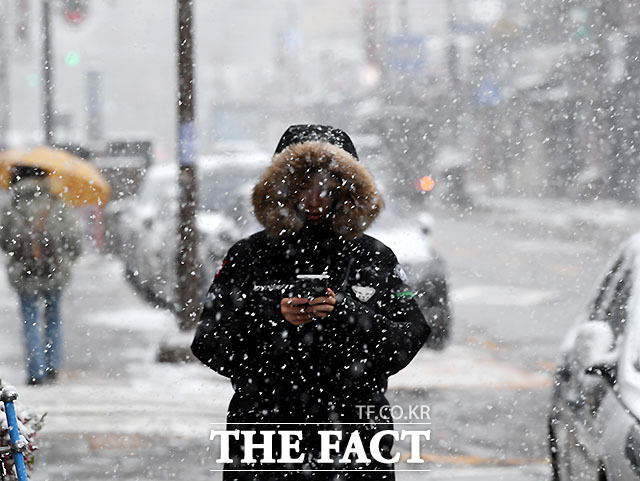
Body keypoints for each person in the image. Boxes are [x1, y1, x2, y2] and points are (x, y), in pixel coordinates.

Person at [191, 124, 431, 480]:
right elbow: (209, 342)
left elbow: (409, 337)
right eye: (303, 185)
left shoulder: (373, 257)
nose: (315, 199)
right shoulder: (249, 256)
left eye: (328, 186)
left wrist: (348, 313)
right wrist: (273, 315)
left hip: (354, 439)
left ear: (348, 190)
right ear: (282, 188)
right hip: (264, 437)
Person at [0, 166, 82, 385]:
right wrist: (65, 259)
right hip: (54, 271)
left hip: (24, 272)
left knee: (30, 319)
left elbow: (6, 242)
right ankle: (52, 366)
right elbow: (74, 241)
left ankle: (35, 372)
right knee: (53, 317)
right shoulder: (56, 203)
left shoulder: (12, 206)